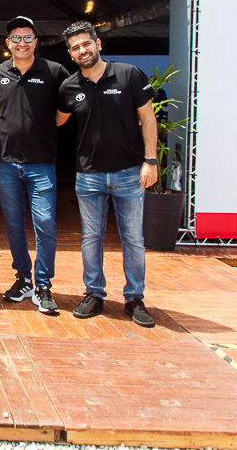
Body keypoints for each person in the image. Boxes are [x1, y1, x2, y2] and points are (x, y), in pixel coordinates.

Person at [56, 21, 158, 328]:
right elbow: (57, 121)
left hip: (129, 172)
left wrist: (150, 160)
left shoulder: (128, 75)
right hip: (89, 175)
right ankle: (94, 294)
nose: (81, 51)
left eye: (86, 44)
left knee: (133, 238)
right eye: (75, 48)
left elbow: (148, 118)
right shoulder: (70, 87)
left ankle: (134, 298)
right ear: (71, 54)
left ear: (98, 44)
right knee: (91, 238)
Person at [0, 16, 69, 314]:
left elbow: (65, 109)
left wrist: (45, 127)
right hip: (6, 162)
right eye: (16, 39)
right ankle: (23, 279)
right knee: (14, 224)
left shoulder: (55, 71)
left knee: (45, 223)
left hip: (42, 163)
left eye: (27, 38)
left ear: (36, 42)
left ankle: (44, 285)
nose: (22, 43)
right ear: (8, 44)